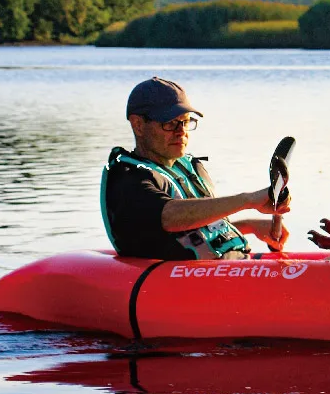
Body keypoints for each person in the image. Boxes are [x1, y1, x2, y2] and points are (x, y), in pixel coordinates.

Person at [101, 76, 290, 260]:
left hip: (228, 265)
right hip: (181, 277)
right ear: (138, 125)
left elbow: (195, 234)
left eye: (185, 122)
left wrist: (249, 225)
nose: (181, 131)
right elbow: (168, 217)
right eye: (170, 124)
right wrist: (248, 200)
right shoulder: (127, 177)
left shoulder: (189, 167)